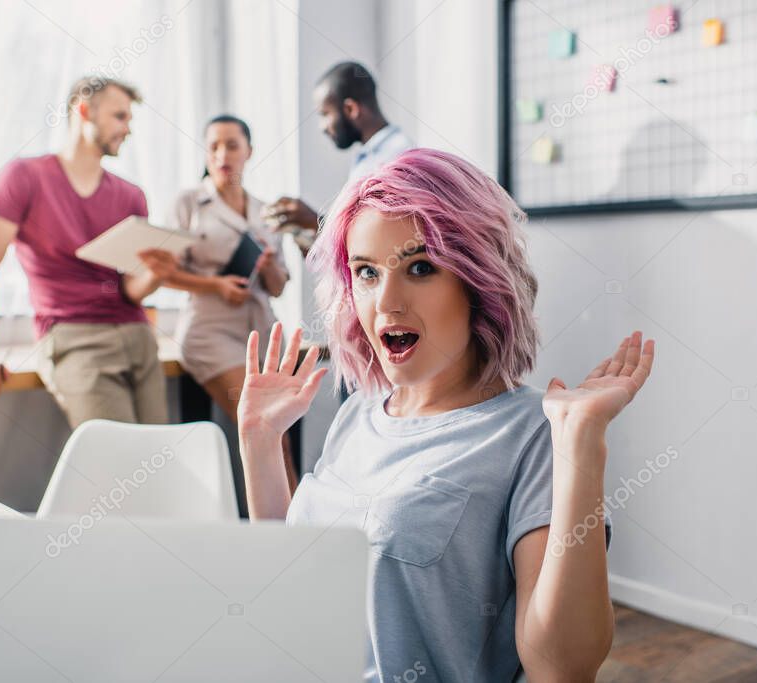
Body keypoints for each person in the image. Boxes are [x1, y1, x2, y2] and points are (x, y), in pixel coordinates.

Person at [236, 149, 655, 681]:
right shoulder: (357, 416)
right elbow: (291, 585)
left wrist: (580, 447)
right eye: (366, 272)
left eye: (420, 268)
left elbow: (561, 668)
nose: (386, 301)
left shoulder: (532, 437)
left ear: (477, 281)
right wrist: (260, 442)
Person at [0, 76, 176, 428]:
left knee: (157, 457)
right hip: (74, 339)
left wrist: (156, 274)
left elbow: (129, 288)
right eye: (119, 116)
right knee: (118, 458)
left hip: (139, 338)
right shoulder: (23, 177)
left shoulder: (131, 195)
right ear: (83, 110)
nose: (128, 129)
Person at [164, 115, 297, 492]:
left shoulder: (265, 210)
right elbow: (164, 273)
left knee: (278, 434)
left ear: (249, 151)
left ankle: (295, 523)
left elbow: (278, 287)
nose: (222, 154)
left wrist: (269, 265)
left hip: (262, 333)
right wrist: (216, 285)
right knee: (264, 428)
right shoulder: (189, 204)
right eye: (214, 146)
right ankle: (288, 526)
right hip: (211, 333)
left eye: (232, 145)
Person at [262, 61, 414, 253]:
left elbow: (383, 237)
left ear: (351, 109)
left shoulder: (396, 156)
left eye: (325, 114)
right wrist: (307, 234)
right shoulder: (368, 156)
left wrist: (316, 221)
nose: (322, 127)